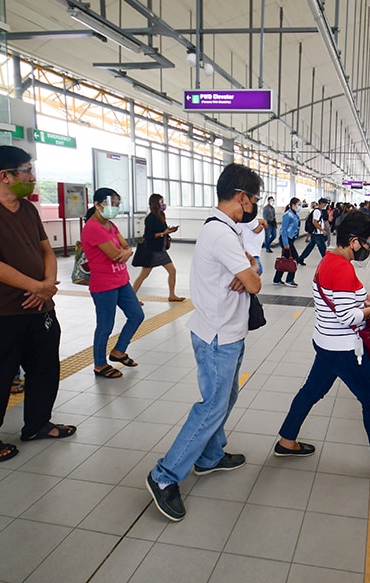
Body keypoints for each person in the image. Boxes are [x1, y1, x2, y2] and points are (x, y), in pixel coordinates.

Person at [146, 163, 263, 522]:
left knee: (227, 396)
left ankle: (210, 456)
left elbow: (253, 268)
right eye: (253, 198)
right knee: (212, 404)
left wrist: (249, 271)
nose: (254, 204)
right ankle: (164, 476)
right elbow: (256, 281)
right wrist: (250, 274)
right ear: (241, 197)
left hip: (227, 329)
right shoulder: (223, 234)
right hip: (217, 335)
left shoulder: (229, 228)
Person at [0, 145, 75, 462]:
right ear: (5, 176)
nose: (32, 177)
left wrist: (47, 287)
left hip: (40, 307)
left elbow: (46, 251)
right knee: (2, 374)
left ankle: (36, 424)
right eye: (26, 170)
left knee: (45, 367)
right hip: (1, 310)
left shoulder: (26, 209)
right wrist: (36, 286)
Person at [275, 211, 370, 477]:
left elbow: (350, 294)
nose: (367, 247)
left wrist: (367, 299)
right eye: (366, 242)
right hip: (343, 350)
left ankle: (286, 441)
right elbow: (347, 316)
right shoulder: (340, 268)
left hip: (325, 342)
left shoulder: (330, 259)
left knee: (311, 392)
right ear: (353, 241)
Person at [82, 187, 145, 379]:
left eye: (117, 205)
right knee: (105, 325)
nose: (115, 208)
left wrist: (125, 251)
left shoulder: (110, 225)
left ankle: (118, 351)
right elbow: (117, 254)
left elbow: (126, 247)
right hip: (104, 285)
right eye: (112, 204)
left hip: (121, 280)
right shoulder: (93, 228)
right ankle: (100, 364)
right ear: (97, 205)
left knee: (136, 315)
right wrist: (125, 251)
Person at [131, 193, 185, 303]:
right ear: (155, 204)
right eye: (161, 202)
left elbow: (163, 230)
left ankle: (172, 295)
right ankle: (131, 298)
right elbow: (148, 236)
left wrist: (169, 231)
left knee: (172, 271)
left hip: (161, 250)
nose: (163, 204)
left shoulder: (161, 216)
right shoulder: (150, 218)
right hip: (152, 252)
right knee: (143, 275)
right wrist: (162, 233)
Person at [272, 197, 303, 287]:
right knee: (295, 258)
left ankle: (277, 279)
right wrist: (286, 243)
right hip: (286, 239)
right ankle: (289, 280)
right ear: (293, 205)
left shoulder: (294, 214)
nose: (299, 207)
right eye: (298, 205)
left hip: (290, 239)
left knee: (285, 259)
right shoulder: (287, 215)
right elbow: (283, 230)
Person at [298, 197, 330, 264]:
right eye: (325, 204)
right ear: (321, 203)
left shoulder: (319, 211)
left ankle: (300, 258)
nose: (325, 205)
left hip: (316, 233)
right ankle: (327, 262)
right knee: (322, 248)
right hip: (317, 233)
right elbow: (315, 222)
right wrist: (322, 230)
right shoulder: (317, 211)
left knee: (310, 247)